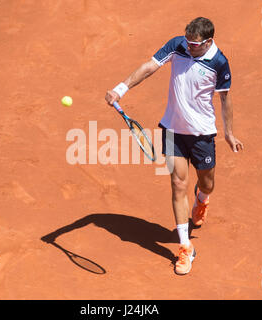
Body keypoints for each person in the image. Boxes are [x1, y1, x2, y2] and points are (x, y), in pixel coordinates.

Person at [105, 17, 243, 275]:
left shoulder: (219, 62)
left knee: (207, 183)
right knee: (178, 184)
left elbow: (225, 99)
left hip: (202, 134)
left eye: (194, 44)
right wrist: (120, 89)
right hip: (172, 129)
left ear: (209, 42)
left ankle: (202, 200)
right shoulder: (177, 45)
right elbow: (149, 67)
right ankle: (185, 248)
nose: (188, 47)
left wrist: (229, 133)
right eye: (187, 41)